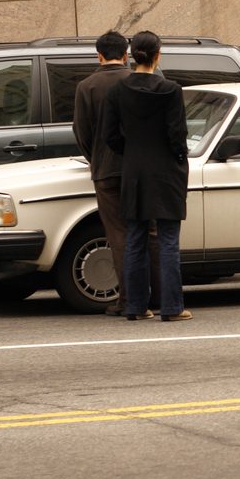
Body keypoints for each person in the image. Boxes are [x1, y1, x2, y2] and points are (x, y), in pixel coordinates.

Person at [103, 31, 192, 322]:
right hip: (166, 170)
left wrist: (131, 152)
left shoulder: (117, 91)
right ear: (158, 55)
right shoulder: (171, 90)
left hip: (134, 170)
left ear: (132, 55)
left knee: (135, 238)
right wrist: (179, 157)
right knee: (168, 239)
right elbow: (177, 134)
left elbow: (110, 135)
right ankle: (172, 307)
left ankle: (136, 306)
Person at [72, 30, 140, 317]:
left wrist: (95, 158)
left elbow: (81, 132)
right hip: (139, 168)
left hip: (105, 170)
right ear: (125, 54)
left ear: (99, 55)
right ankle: (155, 295)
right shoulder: (136, 81)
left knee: (118, 234)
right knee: (146, 231)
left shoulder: (86, 86)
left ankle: (128, 299)